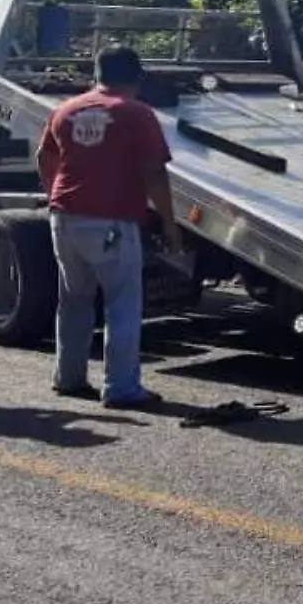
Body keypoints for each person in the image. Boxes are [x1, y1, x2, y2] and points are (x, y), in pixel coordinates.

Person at [36, 45, 181, 409]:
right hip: (112, 219)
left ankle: (68, 378)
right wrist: (169, 222)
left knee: (73, 299)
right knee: (122, 303)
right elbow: (154, 172)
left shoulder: (65, 110)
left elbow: (44, 157)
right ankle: (121, 388)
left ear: (96, 74)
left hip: (64, 216)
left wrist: (57, 194)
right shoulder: (136, 113)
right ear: (137, 77)